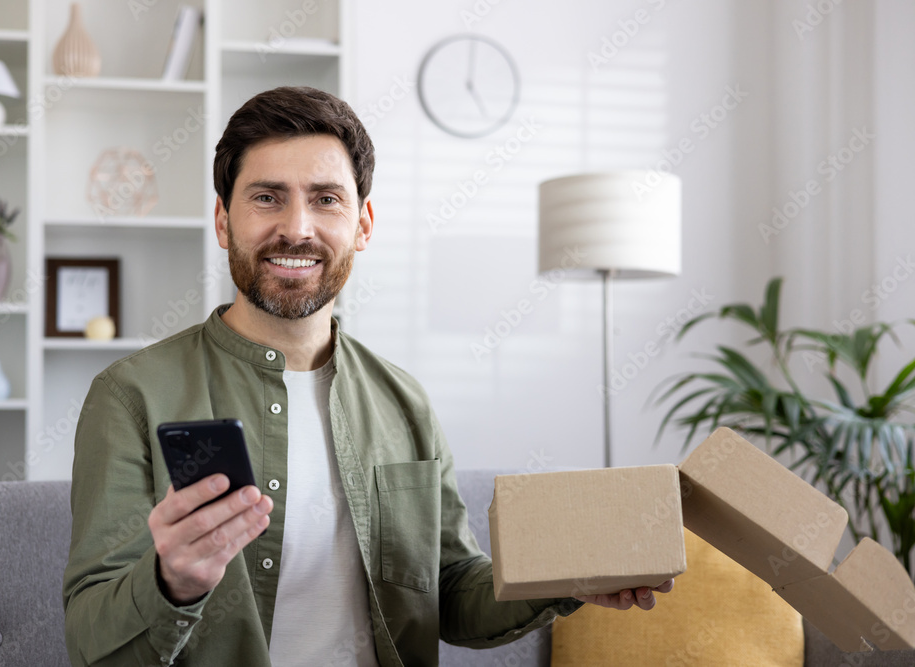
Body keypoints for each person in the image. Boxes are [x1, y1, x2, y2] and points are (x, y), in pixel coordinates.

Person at [62, 86, 673, 667]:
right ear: (224, 221)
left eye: (326, 199)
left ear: (363, 225)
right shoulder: (132, 395)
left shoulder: (404, 401)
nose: (297, 228)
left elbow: (452, 591)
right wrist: (173, 582)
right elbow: (90, 633)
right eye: (267, 197)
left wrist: (568, 575)